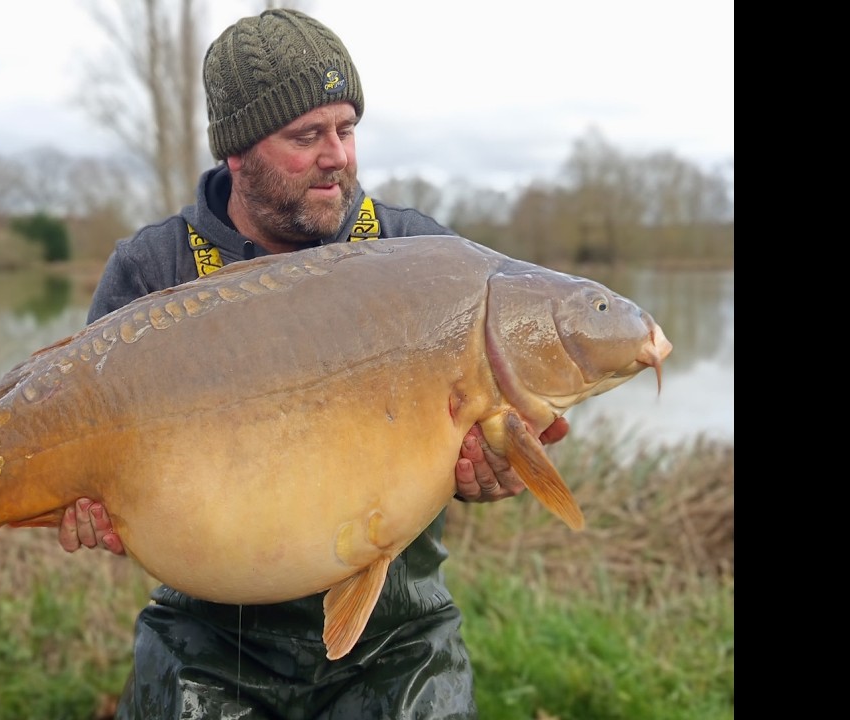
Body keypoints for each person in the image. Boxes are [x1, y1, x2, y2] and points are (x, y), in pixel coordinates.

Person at [59, 9, 568, 719]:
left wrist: (495, 473)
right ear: (237, 154)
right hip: (210, 638)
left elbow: (482, 438)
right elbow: (95, 470)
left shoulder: (418, 253)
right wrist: (87, 507)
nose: (338, 156)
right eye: (307, 136)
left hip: (397, 636)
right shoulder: (154, 267)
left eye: (346, 129)